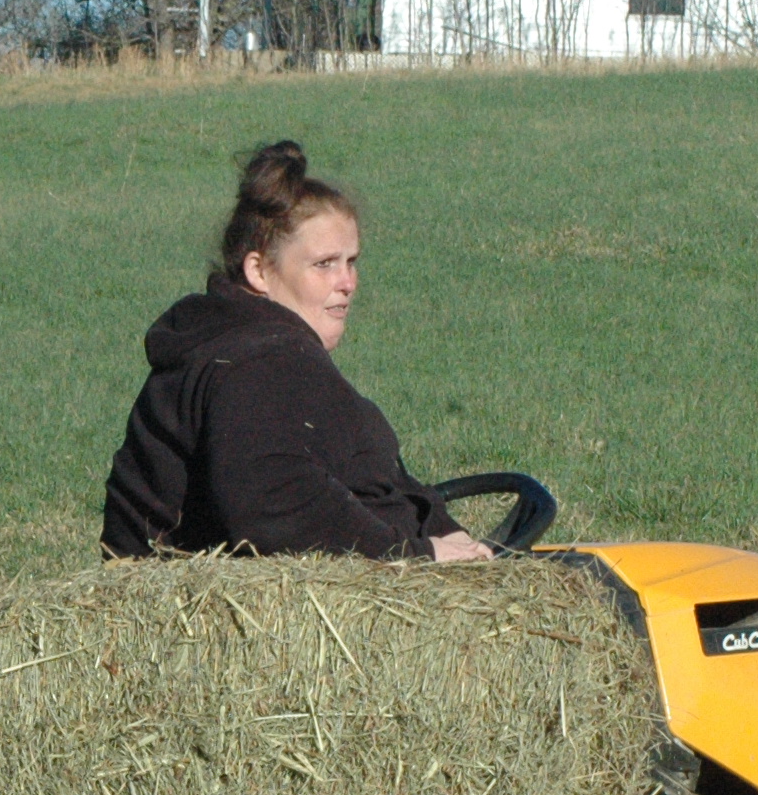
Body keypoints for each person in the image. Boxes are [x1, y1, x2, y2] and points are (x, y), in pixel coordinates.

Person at [101, 141, 490, 563]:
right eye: (324, 264)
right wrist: (414, 555)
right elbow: (276, 504)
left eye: (352, 261)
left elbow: (367, 479)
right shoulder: (260, 362)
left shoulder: (242, 345)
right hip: (202, 608)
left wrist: (444, 533)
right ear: (259, 270)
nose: (348, 282)